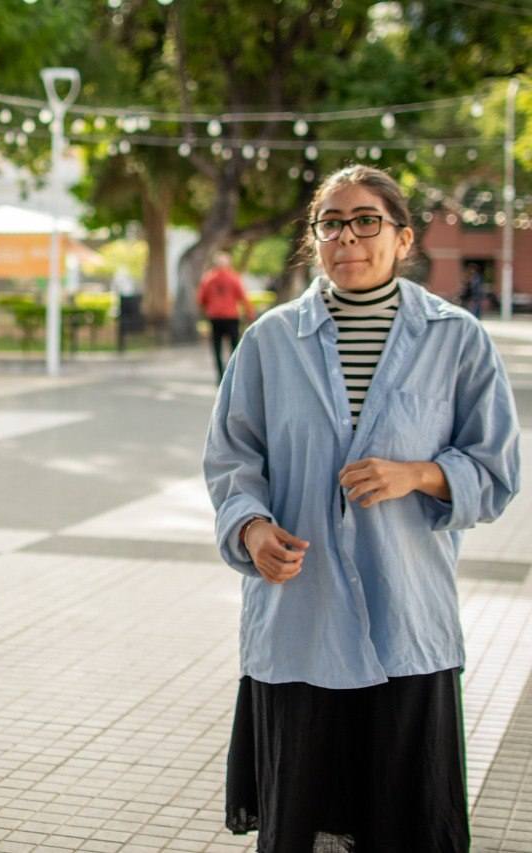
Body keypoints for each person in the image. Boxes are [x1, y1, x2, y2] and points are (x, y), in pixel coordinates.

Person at [204, 164, 519, 852]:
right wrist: (251, 527)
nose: (348, 236)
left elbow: (496, 468)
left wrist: (420, 473)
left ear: (403, 237)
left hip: (405, 623)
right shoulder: (269, 342)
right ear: (315, 239)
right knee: (303, 829)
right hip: (300, 623)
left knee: (404, 827)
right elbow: (232, 460)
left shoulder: (456, 339)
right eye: (331, 223)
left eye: (366, 220)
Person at [197, 251, 255, 381]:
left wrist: (208, 309)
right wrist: (250, 313)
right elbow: (243, 297)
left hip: (215, 317)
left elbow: (201, 299)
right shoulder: (233, 278)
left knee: (217, 348)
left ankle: (220, 376)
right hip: (231, 317)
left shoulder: (208, 278)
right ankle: (235, 374)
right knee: (234, 347)